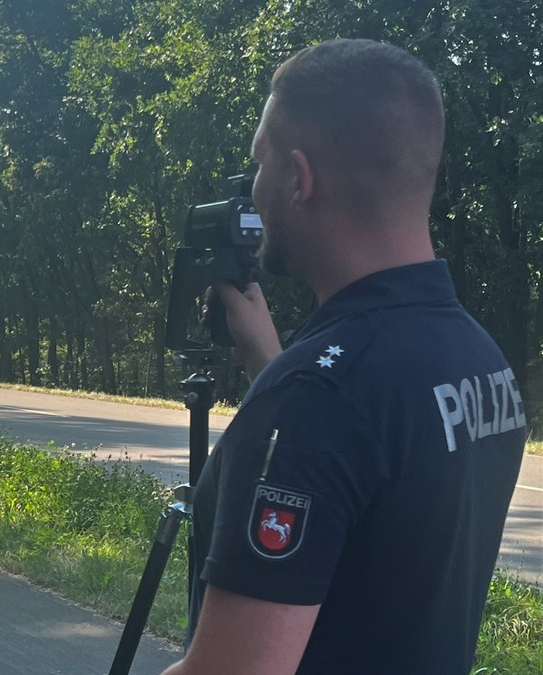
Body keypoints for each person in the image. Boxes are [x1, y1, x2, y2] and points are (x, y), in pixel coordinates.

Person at [161, 39, 526, 675]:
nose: (254, 188)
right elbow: (369, 524)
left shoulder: (316, 399)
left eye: (260, 164)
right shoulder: (478, 358)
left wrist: (288, 388)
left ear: (298, 179)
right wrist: (272, 363)